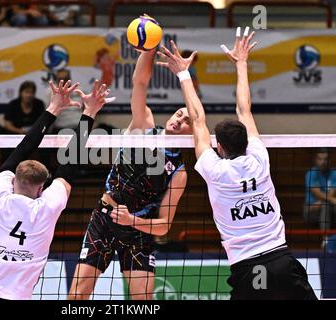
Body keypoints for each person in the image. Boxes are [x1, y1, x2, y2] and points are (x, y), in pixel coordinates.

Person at [157, 27, 317, 300]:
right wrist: (241, 63)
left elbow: (197, 120)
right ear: (246, 141)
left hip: (247, 269)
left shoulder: (215, 170)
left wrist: (184, 74)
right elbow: (244, 109)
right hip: (283, 261)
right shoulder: (259, 157)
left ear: (219, 147)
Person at [69, 28, 191, 300]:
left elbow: (163, 226)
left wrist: (132, 220)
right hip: (104, 219)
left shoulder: (179, 172)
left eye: (186, 122)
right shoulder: (143, 125)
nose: (178, 120)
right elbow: (140, 83)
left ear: (192, 134)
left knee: (142, 301)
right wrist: (148, 49)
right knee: (78, 295)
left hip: (139, 230)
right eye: (179, 114)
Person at [0, 80, 111, 300]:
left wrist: (53, 108)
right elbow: (71, 161)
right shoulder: (47, 207)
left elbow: (24, 147)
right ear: (41, 190)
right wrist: (90, 111)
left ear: (13, 178)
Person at [303, 148, 336, 244]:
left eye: (325, 159)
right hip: (311, 209)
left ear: (329, 160)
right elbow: (317, 193)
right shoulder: (311, 174)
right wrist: (332, 200)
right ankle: (325, 239)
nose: (323, 162)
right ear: (315, 160)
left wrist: (327, 200)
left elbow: (331, 193)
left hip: (328, 208)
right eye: (320, 159)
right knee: (326, 205)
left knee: (326, 204)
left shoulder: (334, 173)